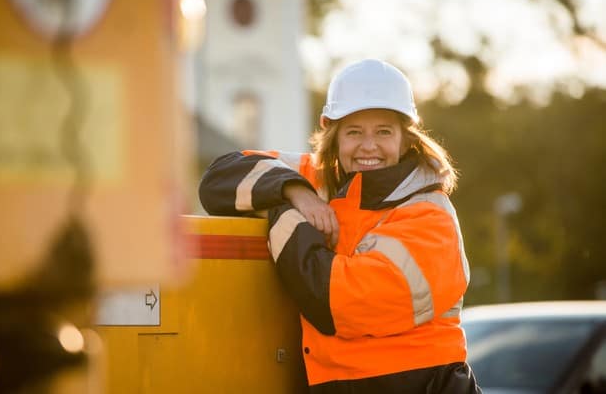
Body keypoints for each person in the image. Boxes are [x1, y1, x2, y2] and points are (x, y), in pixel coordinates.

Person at [199, 59, 481, 393]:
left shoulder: (431, 218)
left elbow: (334, 302)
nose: (368, 146)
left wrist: (281, 212)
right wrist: (296, 192)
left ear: (406, 140)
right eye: (354, 132)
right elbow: (217, 180)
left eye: (383, 132)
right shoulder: (317, 181)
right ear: (334, 137)